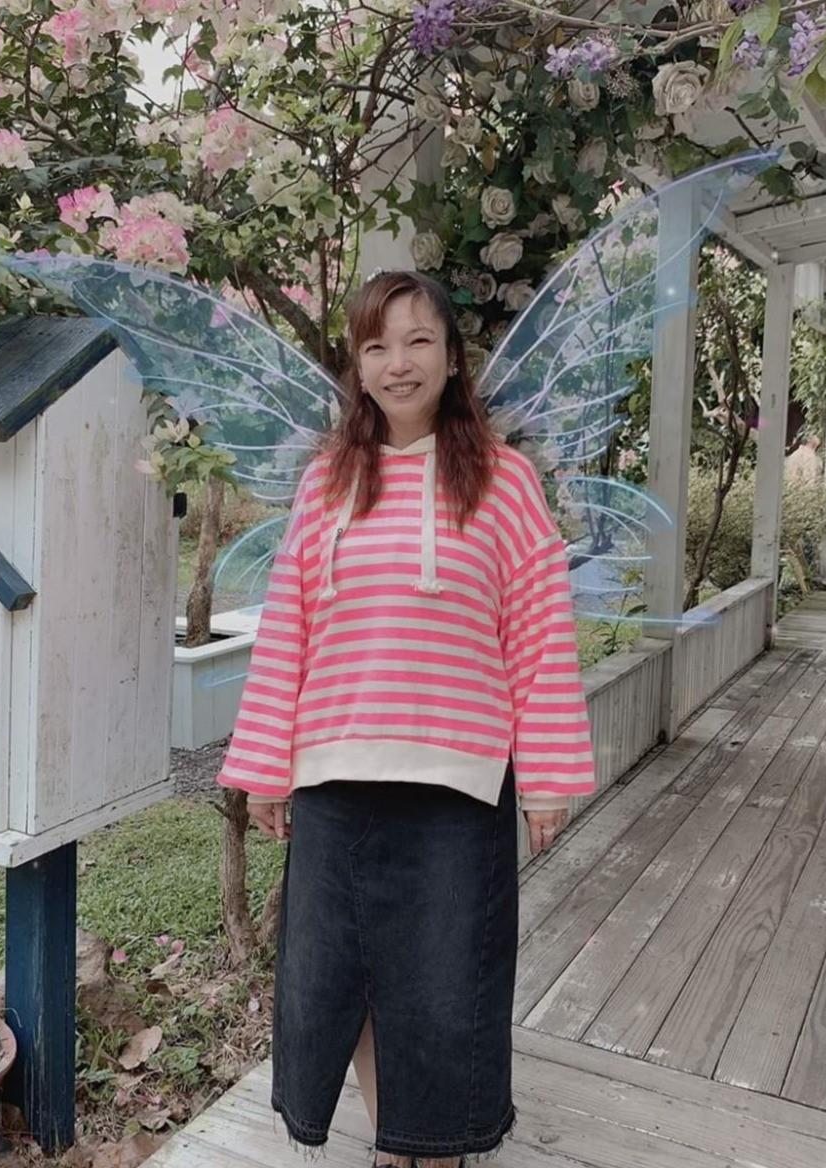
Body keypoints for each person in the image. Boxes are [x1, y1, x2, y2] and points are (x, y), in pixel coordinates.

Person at [217, 271, 597, 1167]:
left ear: (452, 357)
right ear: (357, 365)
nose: (398, 362)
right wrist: (265, 768)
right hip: (335, 777)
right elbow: (288, 631)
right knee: (339, 981)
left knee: (444, 987)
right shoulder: (325, 483)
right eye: (377, 345)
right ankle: (399, 1142)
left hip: (457, 787)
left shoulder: (504, 481)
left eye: (419, 340)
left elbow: (539, 634)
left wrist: (545, 780)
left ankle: (440, 1146)